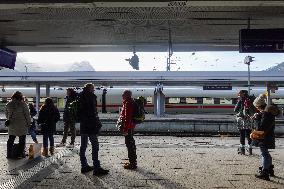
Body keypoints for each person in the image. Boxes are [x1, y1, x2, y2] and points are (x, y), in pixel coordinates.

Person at [78, 83, 109, 176]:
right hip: (91, 125)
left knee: (83, 146)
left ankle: (84, 166)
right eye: (93, 88)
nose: (94, 90)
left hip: (83, 125)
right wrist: (97, 123)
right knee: (95, 145)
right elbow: (92, 112)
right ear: (90, 89)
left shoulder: (80, 96)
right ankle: (97, 168)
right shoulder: (90, 97)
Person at [252, 94, 279, 181]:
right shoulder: (267, 113)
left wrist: (256, 118)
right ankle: (269, 169)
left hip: (264, 137)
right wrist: (259, 116)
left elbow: (261, 128)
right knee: (266, 153)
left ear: (259, 106)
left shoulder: (266, 114)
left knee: (264, 154)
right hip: (268, 136)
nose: (256, 108)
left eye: (256, 106)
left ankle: (265, 172)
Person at [5, 91, 31, 159]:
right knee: (22, 140)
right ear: (20, 97)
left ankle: (9, 154)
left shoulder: (8, 104)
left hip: (12, 124)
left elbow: (6, 115)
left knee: (11, 139)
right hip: (22, 125)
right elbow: (27, 115)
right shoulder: (23, 104)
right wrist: (29, 123)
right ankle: (20, 154)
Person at [120, 90, 137, 169]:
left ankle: (132, 163)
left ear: (126, 95)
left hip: (129, 127)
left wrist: (125, 129)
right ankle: (132, 161)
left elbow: (128, 117)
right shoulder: (130, 102)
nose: (122, 95)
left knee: (129, 145)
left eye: (123, 94)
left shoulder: (128, 103)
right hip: (131, 126)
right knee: (131, 144)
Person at [234, 90, 253, 155]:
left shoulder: (241, 100)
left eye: (239, 94)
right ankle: (250, 149)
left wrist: (239, 101)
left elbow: (235, 110)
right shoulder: (250, 99)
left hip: (241, 119)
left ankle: (242, 150)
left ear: (243, 94)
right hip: (249, 119)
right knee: (248, 133)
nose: (238, 95)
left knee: (242, 134)